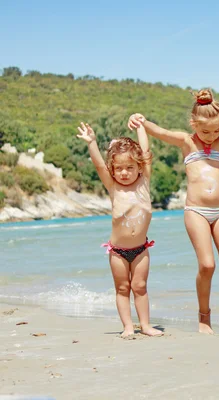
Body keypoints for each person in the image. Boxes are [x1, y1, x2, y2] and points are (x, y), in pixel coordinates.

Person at [127, 78, 219, 336]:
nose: (211, 136)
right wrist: (141, 120)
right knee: (207, 265)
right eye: (205, 132)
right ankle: (204, 318)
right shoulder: (186, 142)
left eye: (216, 130)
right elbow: (159, 132)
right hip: (196, 212)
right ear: (194, 124)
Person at [76, 122, 162, 337]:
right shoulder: (113, 187)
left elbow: (146, 152)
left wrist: (141, 127)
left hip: (141, 249)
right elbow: (98, 166)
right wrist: (92, 143)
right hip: (118, 252)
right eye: (119, 168)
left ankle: (146, 325)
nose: (124, 173)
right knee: (123, 289)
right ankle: (127, 326)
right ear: (112, 170)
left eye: (130, 167)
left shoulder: (143, 183)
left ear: (139, 167)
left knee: (140, 287)